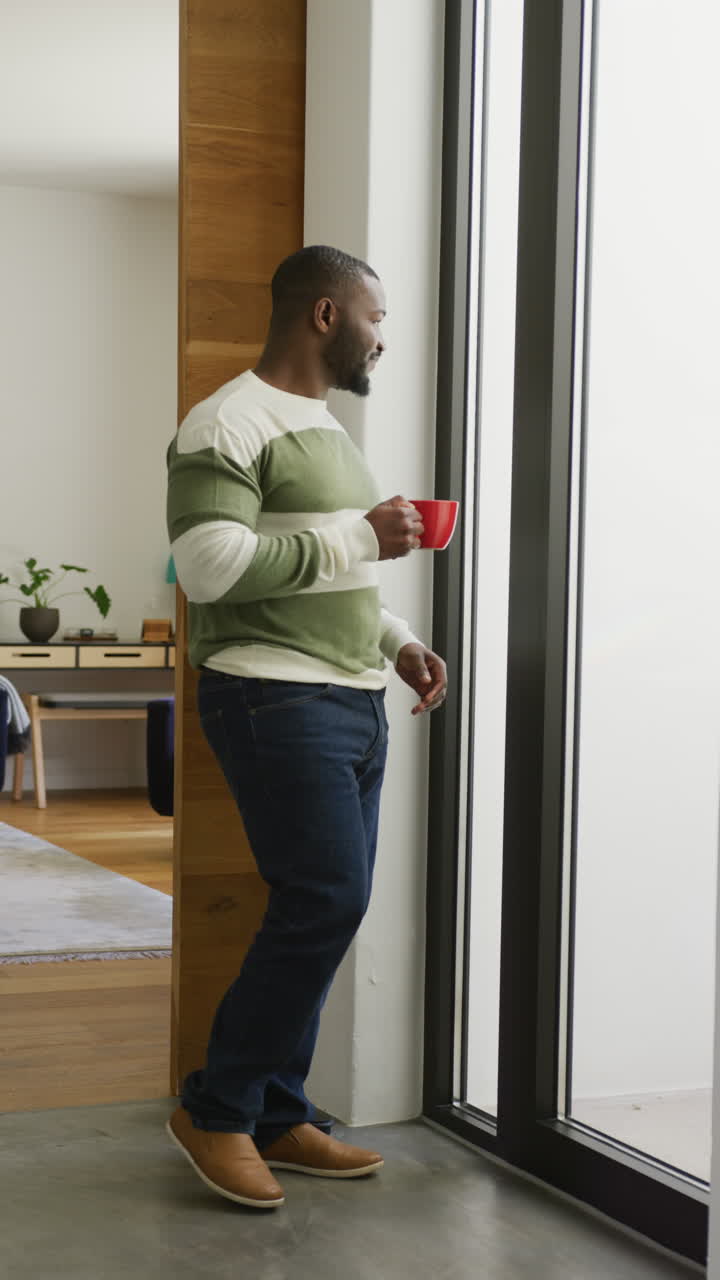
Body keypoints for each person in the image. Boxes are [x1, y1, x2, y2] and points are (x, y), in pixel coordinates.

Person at [165, 244, 448, 1209]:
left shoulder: (326, 431)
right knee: (324, 900)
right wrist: (363, 535)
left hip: (349, 696)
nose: (383, 337)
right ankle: (217, 1109)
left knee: (330, 903)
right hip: (271, 698)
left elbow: (327, 575)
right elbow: (208, 566)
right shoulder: (226, 422)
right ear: (325, 315)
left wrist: (399, 638)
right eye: (375, 316)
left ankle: (279, 1110)